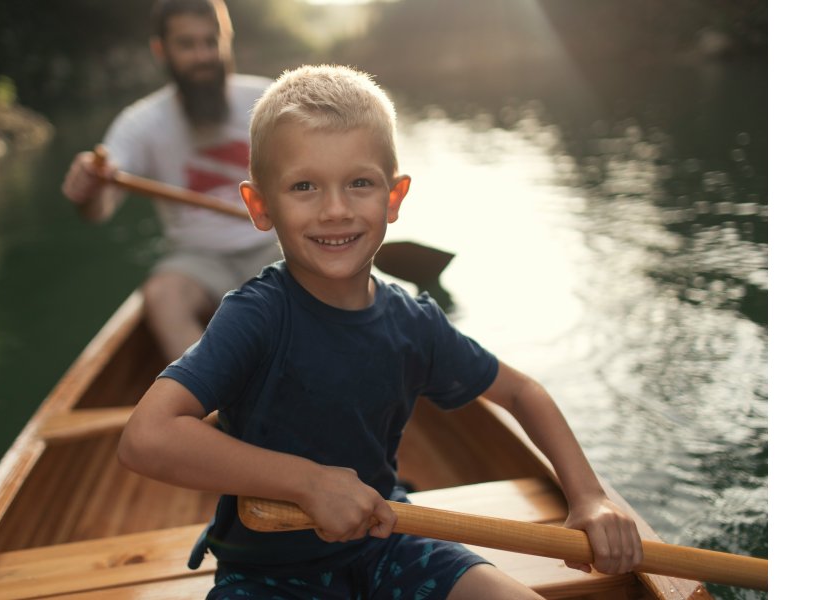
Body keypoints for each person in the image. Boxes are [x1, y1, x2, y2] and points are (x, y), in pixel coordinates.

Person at [117, 65, 644, 600]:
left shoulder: (413, 320)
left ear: (393, 198)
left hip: (389, 539)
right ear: (260, 207)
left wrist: (590, 498)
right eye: (304, 186)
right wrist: (308, 482)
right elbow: (147, 438)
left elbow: (520, 391)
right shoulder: (257, 315)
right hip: (268, 575)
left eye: (360, 183)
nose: (336, 210)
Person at [60, 0, 281, 361]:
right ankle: (215, 403)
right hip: (198, 259)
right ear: (161, 50)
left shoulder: (271, 100)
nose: (203, 55)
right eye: (187, 44)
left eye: (211, 42)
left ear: (227, 40)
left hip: (274, 243)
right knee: (162, 294)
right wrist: (89, 188)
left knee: (329, 267)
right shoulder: (141, 122)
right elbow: (99, 208)